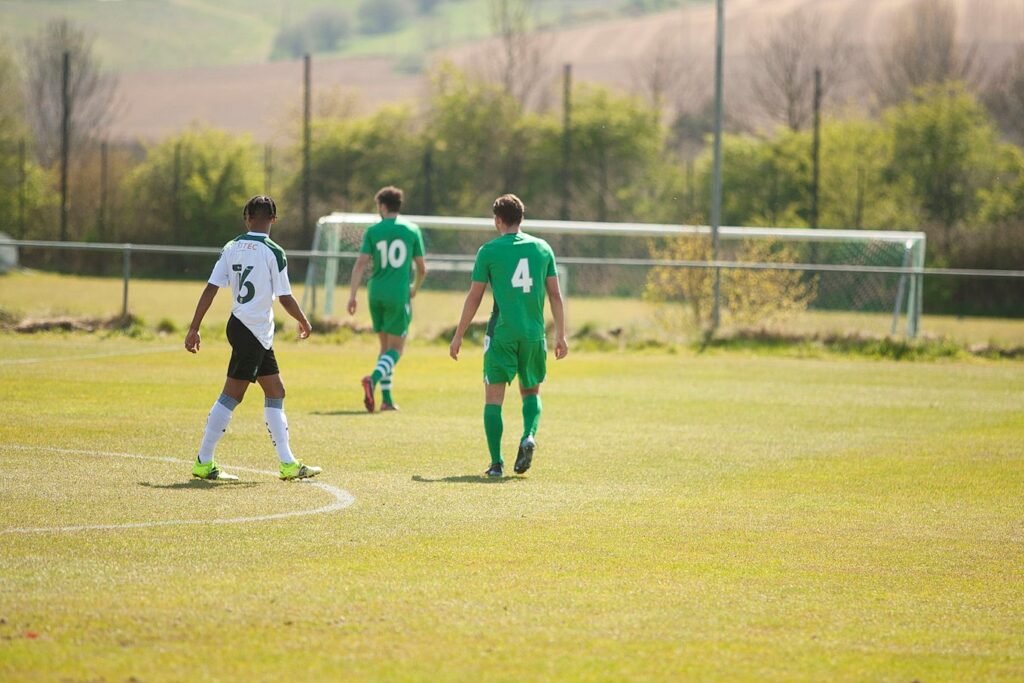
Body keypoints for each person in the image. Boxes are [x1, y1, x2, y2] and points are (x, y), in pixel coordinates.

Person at [184, 195, 321, 481]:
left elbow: (210, 288)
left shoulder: (231, 247)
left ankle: (288, 464)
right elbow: (284, 296)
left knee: (276, 391)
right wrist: (304, 320)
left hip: (247, 329)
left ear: (247, 218)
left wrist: (194, 327)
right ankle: (203, 461)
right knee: (233, 394)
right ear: (273, 218)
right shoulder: (273, 251)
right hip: (252, 330)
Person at [449, 194, 568, 477]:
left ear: (498, 220)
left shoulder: (488, 251)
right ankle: (528, 435)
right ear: (521, 218)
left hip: (501, 333)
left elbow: (474, 297)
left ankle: (496, 464)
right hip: (533, 334)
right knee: (531, 390)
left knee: (493, 399)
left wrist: (458, 335)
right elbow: (556, 296)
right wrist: (561, 335)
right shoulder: (542, 248)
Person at [347, 186, 427, 412]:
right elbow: (422, 269)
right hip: (397, 293)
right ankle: (372, 379)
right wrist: (415, 288)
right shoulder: (411, 230)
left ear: (382, 206)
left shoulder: (373, 231)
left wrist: (353, 295)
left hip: (375, 291)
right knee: (397, 349)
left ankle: (387, 399)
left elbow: (361, 263)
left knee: (384, 349)